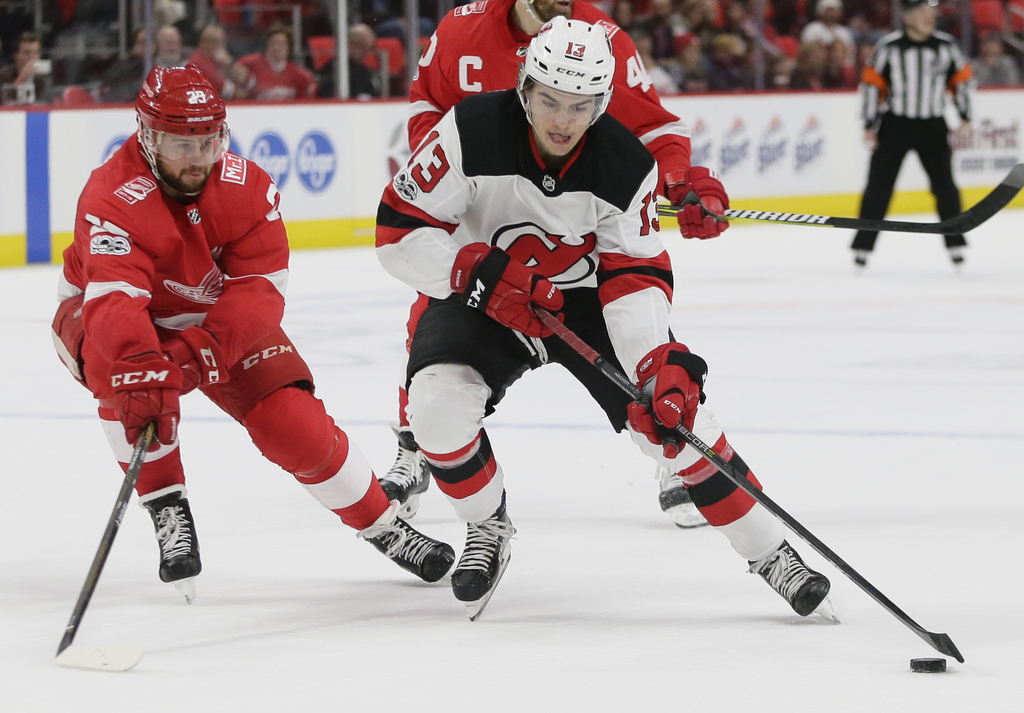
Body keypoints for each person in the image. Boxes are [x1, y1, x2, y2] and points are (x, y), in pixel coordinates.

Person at [375, 18, 832, 620]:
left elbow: (634, 276)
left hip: (586, 304)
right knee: (433, 410)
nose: (564, 121)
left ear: (603, 101)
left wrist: (655, 362)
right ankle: (487, 524)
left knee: (675, 420)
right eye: (550, 102)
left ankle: (771, 551)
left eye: (582, 105)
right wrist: (474, 274)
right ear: (523, 88)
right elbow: (397, 233)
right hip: (484, 292)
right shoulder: (466, 131)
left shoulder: (626, 163)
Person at [52, 65, 455, 602]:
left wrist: (198, 354)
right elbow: (115, 300)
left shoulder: (248, 187)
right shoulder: (111, 195)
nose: (198, 159)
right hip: (108, 314)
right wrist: (140, 364)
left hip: (214, 321)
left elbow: (259, 296)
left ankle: (384, 524)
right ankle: (166, 501)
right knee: (120, 374)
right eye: (181, 144)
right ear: (147, 136)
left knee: (292, 424)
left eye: (209, 142)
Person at [382, 0, 730, 532]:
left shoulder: (603, 39)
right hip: (484, 216)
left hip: (572, 238)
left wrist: (679, 181)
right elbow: (427, 103)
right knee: (433, 318)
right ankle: (415, 444)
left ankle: (673, 452)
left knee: (636, 323)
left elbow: (652, 128)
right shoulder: (461, 29)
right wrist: (445, 182)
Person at [852, 0, 973, 268]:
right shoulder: (889, 47)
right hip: (897, 124)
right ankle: (863, 245)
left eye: (931, 12)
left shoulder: (947, 46)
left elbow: (962, 81)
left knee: (945, 187)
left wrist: (965, 117)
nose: (929, 17)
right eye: (921, 12)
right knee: (879, 187)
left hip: (933, 124)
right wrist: (869, 125)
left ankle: (955, 242)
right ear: (907, 17)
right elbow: (872, 85)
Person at [237, 23, 317, 101]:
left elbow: (303, 103)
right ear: (266, 44)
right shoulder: (248, 63)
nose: (277, 47)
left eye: (282, 44)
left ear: (289, 47)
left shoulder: (300, 75)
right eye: (274, 42)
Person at [187, 24, 250, 99]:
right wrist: (243, 91)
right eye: (215, 41)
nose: (220, 45)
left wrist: (229, 62)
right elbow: (225, 89)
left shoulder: (221, 59)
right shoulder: (197, 62)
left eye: (222, 41)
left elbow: (249, 81)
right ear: (203, 42)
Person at [0, 31, 51, 105]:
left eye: (36, 53)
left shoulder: (43, 78)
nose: (32, 57)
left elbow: (47, 102)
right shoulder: (3, 75)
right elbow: (4, 102)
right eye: (27, 53)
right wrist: (21, 79)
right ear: (16, 55)